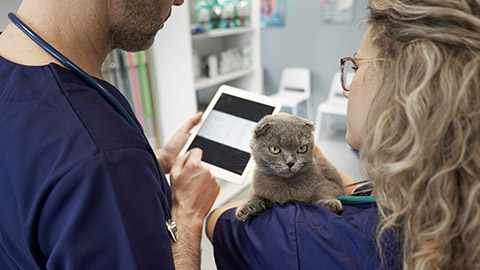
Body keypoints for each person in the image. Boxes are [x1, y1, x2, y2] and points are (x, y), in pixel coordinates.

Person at [207, 0, 480, 269]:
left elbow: (217, 220)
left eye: (356, 67)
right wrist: (320, 162)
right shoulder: (420, 195)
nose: (347, 87)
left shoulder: (304, 233)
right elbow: (360, 194)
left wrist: (187, 206)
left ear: (401, 88)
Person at [0, 0, 220, 269]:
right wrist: (188, 214)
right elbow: (90, 162)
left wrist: (149, 167)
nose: (180, 0)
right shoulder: (102, 159)